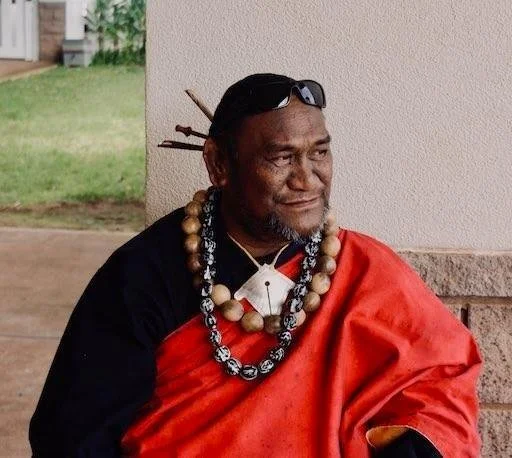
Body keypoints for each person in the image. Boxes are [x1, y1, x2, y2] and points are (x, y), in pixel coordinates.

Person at [30, 74, 481, 457]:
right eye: (282, 158)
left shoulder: (364, 269)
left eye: (319, 152)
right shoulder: (143, 276)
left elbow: (439, 383)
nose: (307, 179)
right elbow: (73, 436)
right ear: (219, 163)